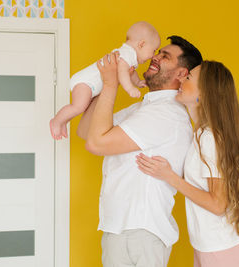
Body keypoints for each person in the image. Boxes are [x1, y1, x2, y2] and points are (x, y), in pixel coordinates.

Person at [77, 35, 203, 267]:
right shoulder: (144, 109)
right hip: (122, 228)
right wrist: (105, 82)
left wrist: (110, 85)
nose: (154, 57)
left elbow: (96, 144)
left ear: (181, 74)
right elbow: (86, 131)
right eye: (158, 53)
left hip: (141, 232)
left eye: (164, 56)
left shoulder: (167, 114)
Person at [136, 60, 239, 267]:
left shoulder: (209, 138)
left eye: (189, 77)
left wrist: (170, 177)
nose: (182, 79)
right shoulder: (202, 135)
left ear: (204, 94)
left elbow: (218, 204)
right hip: (212, 246)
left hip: (220, 250)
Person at [50, 21, 161, 140]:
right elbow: (123, 72)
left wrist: (138, 82)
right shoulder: (127, 53)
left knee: (80, 107)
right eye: (153, 50)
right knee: (78, 107)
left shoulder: (130, 57)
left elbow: (131, 72)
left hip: (91, 86)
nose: (153, 56)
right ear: (142, 44)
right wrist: (130, 88)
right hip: (86, 82)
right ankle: (56, 121)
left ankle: (63, 122)